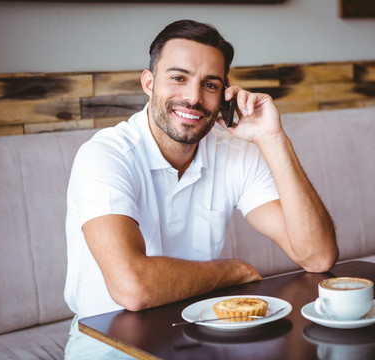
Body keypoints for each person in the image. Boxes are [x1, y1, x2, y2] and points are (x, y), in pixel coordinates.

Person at [64, 19, 338, 359]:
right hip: (108, 345)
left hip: (204, 336)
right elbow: (132, 287)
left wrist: (273, 139)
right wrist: (232, 271)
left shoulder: (233, 152)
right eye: (178, 77)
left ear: (225, 92)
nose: (193, 97)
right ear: (149, 83)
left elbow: (318, 255)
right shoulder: (105, 156)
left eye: (209, 84)